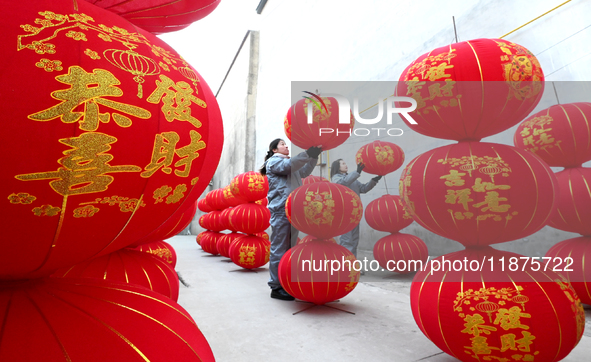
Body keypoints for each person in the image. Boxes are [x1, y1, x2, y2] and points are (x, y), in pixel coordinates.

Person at [260, 139, 322, 301]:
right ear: (274, 149)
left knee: (290, 247)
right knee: (280, 248)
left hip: (292, 209)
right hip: (281, 209)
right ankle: (276, 286)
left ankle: (286, 281)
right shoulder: (273, 162)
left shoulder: (290, 163)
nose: (286, 146)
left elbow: (304, 172)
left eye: (286, 144)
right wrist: (307, 154)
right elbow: (288, 167)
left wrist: (313, 157)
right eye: (282, 144)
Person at [330, 159, 381, 259]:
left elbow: (363, 188)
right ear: (337, 167)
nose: (345, 165)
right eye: (343, 163)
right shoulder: (336, 178)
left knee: (354, 241)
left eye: (345, 163)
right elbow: (343, 183)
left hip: (354, 213)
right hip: (344, 213)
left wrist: (374, 181)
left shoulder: (352, 179)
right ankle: (345, 266)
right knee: (347, 241)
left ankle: (352, 265)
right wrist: (357, 172)